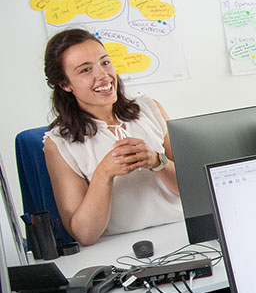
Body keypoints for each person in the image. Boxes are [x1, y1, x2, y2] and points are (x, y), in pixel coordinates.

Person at [42, 28, 182, 246]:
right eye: (85, 70)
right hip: (118, 249)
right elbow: (85, 235)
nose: (103, 75)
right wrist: (103, 174)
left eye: (105, 62)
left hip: (180, 230)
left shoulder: (150, 109)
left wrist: (158, 162)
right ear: (65, 84)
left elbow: (194, 191)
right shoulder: (59, 143)